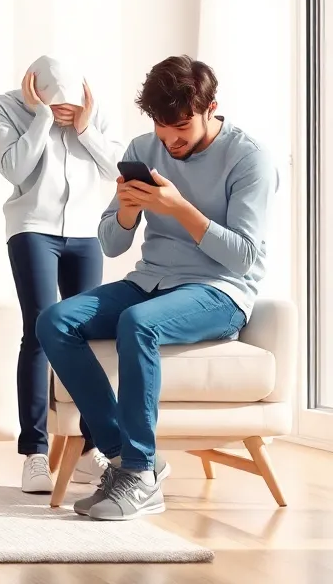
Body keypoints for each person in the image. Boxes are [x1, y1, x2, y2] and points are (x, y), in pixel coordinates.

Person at [37, 56, 277, 521]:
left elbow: (246, 255)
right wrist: (127, 210)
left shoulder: (250, 159)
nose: (171, 141)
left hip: (219, 291)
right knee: (56, 320)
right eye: (162, 129)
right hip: (150, 281)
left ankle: (141, 473)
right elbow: (111, 242)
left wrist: (180, 207)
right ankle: (128, 461)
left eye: (182, 127)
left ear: (211, 107)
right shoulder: (145, 148)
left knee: (138, 323)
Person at [0, 55, 123, 493]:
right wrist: (40, 118)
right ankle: (35, 454)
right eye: (54, 104)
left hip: (86, 234)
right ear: (36, 90)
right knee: (39, 331)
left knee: (91, 337)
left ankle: (86, 452)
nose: (64, 112)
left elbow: (117, 170)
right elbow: (15, 170)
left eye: (70, 106)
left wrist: (85, 128)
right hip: (31, 230)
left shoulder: (92, 112)